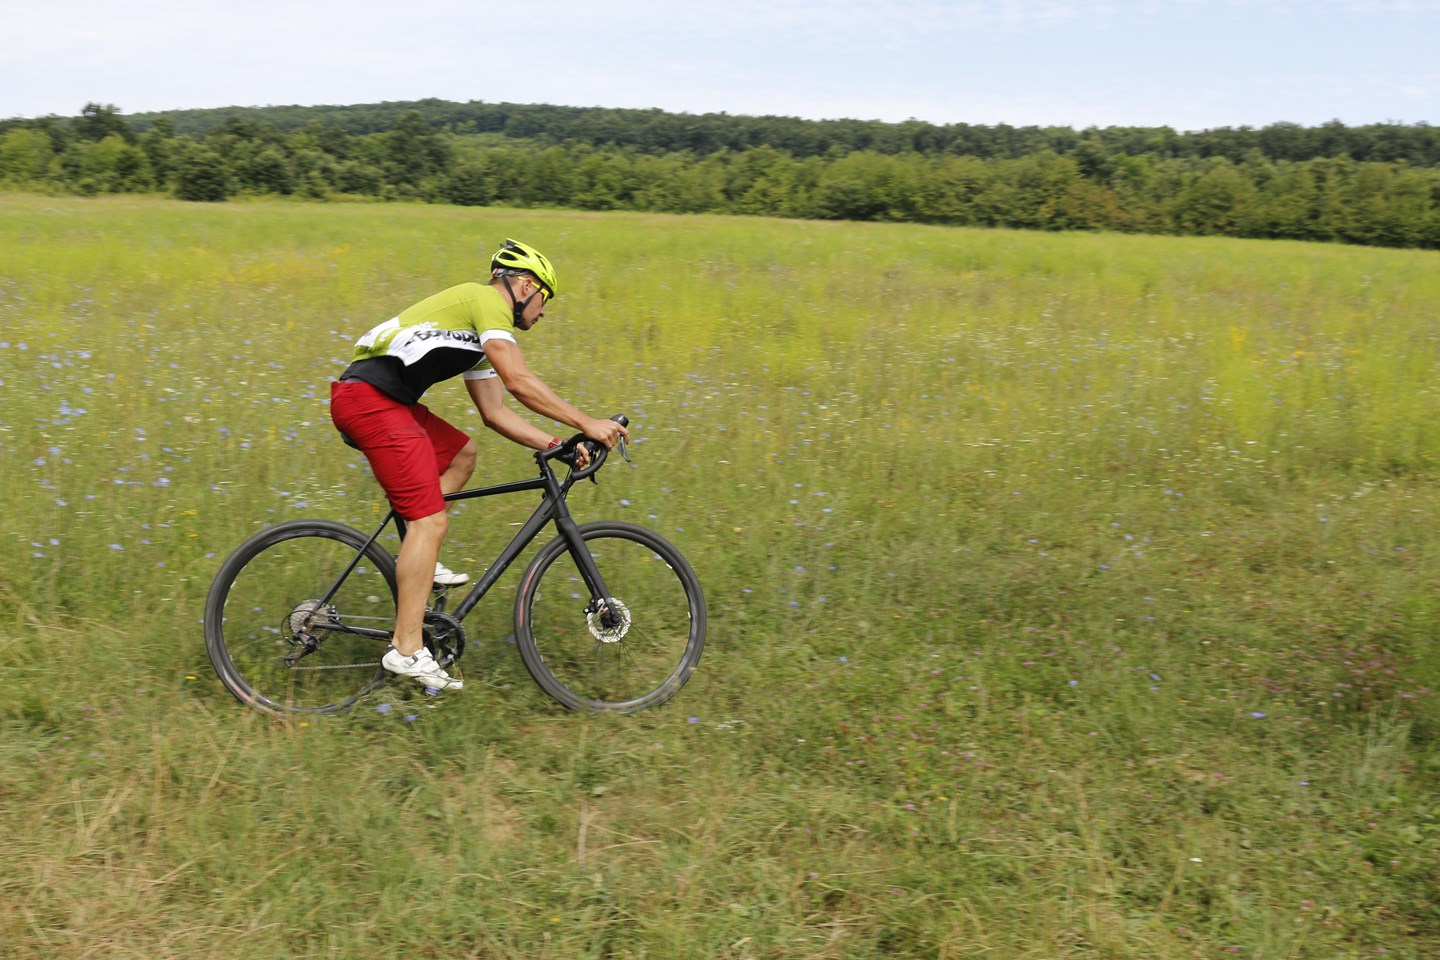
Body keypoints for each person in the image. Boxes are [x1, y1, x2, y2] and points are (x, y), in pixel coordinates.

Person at [330, 239, 628, 692]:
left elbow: (496, 411)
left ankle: (415, 557)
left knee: (461, 454)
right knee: (430, 522)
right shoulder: (487, 301)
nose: (543, 312)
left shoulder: (480, 332)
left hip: (383, 401)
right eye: (545, 299)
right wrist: (587, 421)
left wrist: (558, 442)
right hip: (370, 403)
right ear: (526, 286)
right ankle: (406, 648)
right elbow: (519, 380)